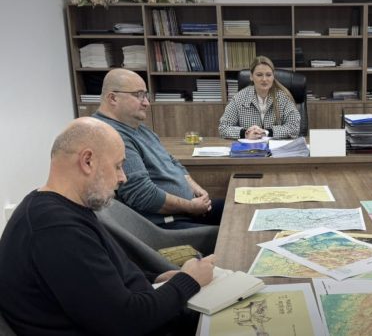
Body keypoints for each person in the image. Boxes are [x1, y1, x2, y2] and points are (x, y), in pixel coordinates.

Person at [0, 118, 216, 335]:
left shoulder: (62, 209)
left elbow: (100, 279)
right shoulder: (55, 229)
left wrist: (156, 279)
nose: (123, 178)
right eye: (118, 166)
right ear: (87, 161)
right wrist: (189, 281)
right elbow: (126, 321)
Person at [93, 68, 223, 229]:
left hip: (187, 211)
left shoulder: (137, 127)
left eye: (145, 95)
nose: (146, 103)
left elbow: (172, 161)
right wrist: (191, 206)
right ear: (113, 98)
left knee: (239, 210)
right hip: (164, 224)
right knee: (233, 233)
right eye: (139, 95)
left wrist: (195, 188)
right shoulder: (112, 136)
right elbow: (142, 195)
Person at [219, 56, 300, 140]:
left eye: (268, 75)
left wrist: (266, 132)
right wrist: (246, 133)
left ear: (273, 76)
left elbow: (294, 127)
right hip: (249, 146)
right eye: (259, 75)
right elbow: (223, 127)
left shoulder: (283, 98)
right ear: (251, 76)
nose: (264, 79)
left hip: (276, 147)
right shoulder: (239, 98)